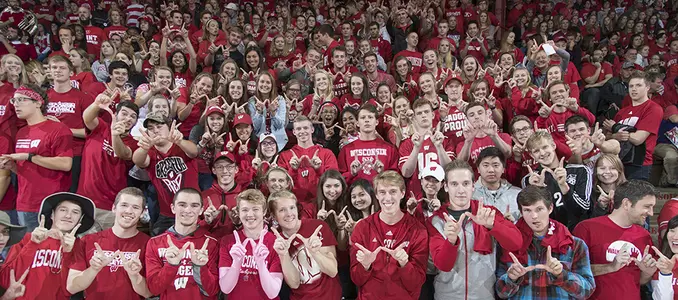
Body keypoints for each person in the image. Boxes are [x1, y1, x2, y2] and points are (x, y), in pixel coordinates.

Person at [426, 160, 522, 299]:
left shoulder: (488, 212)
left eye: (465, 183)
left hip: (484, 296)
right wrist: (451, 241)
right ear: (445, 187)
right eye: (454, 184)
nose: (460, 190)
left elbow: (516, 243)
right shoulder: (435, 221)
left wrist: (493, 226)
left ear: (473, 186)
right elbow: (443, 265)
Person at [496, 185, 595, 299]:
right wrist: (511, 279)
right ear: (521, 212)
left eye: (539, 209)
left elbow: (587, 290)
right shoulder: (508, 243)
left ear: (550, 208)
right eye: (527, 210)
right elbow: (500, 293)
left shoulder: (575, 245)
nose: (534, 216)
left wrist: (561, 275)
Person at [0, 84, 73, 232]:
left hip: (49, 203)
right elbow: (28, 170)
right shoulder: (21, 132)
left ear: (38, 102)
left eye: (21, 99)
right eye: (14, 101)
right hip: (23, 203)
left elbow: (66, 164)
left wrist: (28, 157)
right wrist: (13, 167)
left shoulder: (58, 129)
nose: (16, 105)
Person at [573, 180, 659, 300]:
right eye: (647, 207)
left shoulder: (644, 236)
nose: (651, 213)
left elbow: (639, 281)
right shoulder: (587, 228)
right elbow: (573, 271)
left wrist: (647, 273)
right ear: (626, 204)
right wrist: (611, 267)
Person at [0, 192, 95, 299]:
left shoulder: (79, 246)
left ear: (80, 220)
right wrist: (32, 245)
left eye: (75, 212)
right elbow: (6, 280)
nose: (68, 215)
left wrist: (68, 253)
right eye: (63, 210)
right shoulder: (26, 239)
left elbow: (68, 290)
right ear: (52, 215)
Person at [349, 170, 428, 299]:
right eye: (382, 192)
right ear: (377, 195)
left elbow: (416, 283)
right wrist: (365, 265)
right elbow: (356, 279)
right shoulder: (363, 228)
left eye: (393, 191)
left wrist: (404, 264)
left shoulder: (418, 231)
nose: (387, 198)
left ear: (402, 193)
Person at [66, 188, 152, 298]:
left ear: (142, 213)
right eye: (124, 205)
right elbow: (72, 287)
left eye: (135, 207)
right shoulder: (88, 241)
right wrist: (93, 269)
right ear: (114, 208)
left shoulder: (149, 244)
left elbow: (149, 293)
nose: (129, 211)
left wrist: (134, 275)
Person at [144, 188, 220, 299]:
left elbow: (212, 291)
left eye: (194, 205)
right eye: (182, 205)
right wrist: (171, 266)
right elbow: (154, 289)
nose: (188, 210)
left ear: (201, 210)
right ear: (173, 208)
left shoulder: (211, 243)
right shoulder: (155, 243)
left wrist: (200, 267)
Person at [132, 112, 199, 236]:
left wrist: (180, 141)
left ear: (169, 128)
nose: (155, 131)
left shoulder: (181, 146)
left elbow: (194, 152)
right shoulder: (150, 153)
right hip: (167, 215)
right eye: (151, 128)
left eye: (159, 126)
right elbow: (138, 160)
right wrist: (144, 148)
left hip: (192, 212)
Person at [79, 97, 140, 232]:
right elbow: (87, 118)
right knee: (82, 246)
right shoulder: (100, 127)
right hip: (86, 202)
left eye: (133, 116)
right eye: (124, 113)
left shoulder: (134, 144)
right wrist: (96, 104)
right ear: (115, 114)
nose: (128, 118)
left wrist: (115, 135)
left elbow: (124, 153)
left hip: (110, 206)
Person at [269, 190, 342, 299]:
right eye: (282, 210)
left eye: (292, 208)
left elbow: (332, 271)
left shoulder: (317, 227)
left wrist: (315, 252)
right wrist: (283, 254)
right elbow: (294, 284)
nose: (289, 214)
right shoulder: (277, 242)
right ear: (274, 216)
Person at [218, 189, 283, 299]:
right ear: (238, 212)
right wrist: (236, 263)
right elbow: (225, 288)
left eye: (255, 209)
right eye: (245, 210)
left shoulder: (275, 243)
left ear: (264, 211)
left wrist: (261, 264)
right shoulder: (228, 241)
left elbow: (273, 293)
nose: (250, 214)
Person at [522, 130, 592, 230]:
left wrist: (564, 186)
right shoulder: (530, 180)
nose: (542, 153)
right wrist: (538, 190)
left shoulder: (580, 170)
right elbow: (534, 217)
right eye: (536, 151)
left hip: (580, 233)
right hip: (550, 236)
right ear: (532, 156)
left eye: (545, 147)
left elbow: (584, 209)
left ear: (553, 146)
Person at [606, 71, 663, 181]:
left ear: (647, 87)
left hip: (640, 164)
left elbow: (638, 139)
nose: (634, 89)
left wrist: (616, 128)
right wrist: (615, 136)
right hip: (619, 162)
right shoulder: (621, 112)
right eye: (631, 86)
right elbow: (608, 137)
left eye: (638, 85)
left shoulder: (653, 108)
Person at [399, 99, 455, 198]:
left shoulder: (445, 140)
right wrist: (416, 148)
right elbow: (406, 173)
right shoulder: (407, 143)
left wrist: (439, 147)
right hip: (416, 196)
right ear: (415, 118)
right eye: (419, 113)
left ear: (433, 115)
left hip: (443, 195)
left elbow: (450, 171)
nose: (423, 115)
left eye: (426, 112)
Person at [278, 116, 339, 201]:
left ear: (312, 130)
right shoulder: (284, 156)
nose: (302, 131)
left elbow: (334, 182)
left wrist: (318, 170)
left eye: (305, 128)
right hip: (294, 204)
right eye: (299, 129)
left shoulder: (327, 153)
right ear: (294, 132)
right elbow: (280, 185)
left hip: (321, 203)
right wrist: (293, 170)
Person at [337, 104, 398, 184]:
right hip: (355, 194)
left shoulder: (390, 149)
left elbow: (396, 179)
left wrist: (383, 174)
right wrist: (351, 174)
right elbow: (339, 180)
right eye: (363, 118)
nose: (366, 120)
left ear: (376, 122)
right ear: (357, 123)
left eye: (370, 117)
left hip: (381, 194)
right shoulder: (346, 150)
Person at [472, 147, 521, 222]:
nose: (491, 170)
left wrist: (513, 222)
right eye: (486, 165)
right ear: (478, 169)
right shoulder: (470, 195)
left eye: (495, 165)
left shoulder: (518, 194)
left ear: (503, 169)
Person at [201, 151, 243, 239]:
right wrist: (207, 222)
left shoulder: (244, 196)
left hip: (237, 248)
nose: (225, 171)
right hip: (209, 246)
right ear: (214, 170)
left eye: (229, 166)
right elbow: (194, 229)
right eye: (220, 167)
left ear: (236, 169)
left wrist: (238, 224)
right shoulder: (203, 196)